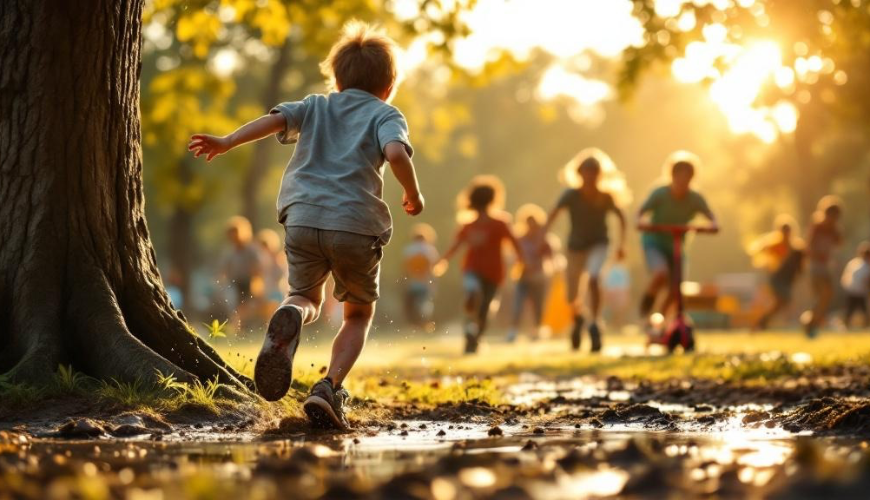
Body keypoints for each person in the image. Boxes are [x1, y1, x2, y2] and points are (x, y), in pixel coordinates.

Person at [188, 22, 423, 430]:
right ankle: (328, 387)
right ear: (388, 87)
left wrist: (227, 142)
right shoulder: (386, 113)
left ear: (336, 79)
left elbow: (274, 120)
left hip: (302, 217)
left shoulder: (316, 105)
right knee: (357, 315)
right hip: (355, 224)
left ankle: (290, 313)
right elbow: (396, 152)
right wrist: (413, 194)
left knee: (305, 296)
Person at [543, 148, 627, 352]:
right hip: (575, 247)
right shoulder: (571, 195)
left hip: (599, 243)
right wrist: (542, 238)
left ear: (600, 174)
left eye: (594, 172)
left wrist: (621, 245)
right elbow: (552, 216)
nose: (590, 176)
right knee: (572, 296)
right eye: (586, 171)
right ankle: (579, 318)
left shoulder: (605, 197)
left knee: (594, 277)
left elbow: (621, 217)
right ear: (579, 173)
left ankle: (595, 322)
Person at [438, 175, 523, 354]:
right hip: (474, 270)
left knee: (484, 310)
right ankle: (470, 326)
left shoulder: (500, 223)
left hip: (492, 273)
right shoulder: (469, 224)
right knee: (474, 293)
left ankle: (474, 337)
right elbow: (456, 244)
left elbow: (515, 243)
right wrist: (443, 260)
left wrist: (443, 260)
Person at [636, 152, 718, 331]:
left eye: (686, 179)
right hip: (654, 242)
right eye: (678, 178)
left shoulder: (695, 198)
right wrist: (640, 221)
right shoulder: (660, 193)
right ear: (671, 176)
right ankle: (647, 304)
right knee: (661, 273)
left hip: (676, 246)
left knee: (676, 290)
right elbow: (641, 211)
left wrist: (713, 225)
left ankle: (660, 321)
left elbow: (710, 215)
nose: (682, 183)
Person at [507, 204, 554, 342]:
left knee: (538, 306)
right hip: (523, 276)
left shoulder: (544, 239)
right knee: (518, 304)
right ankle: (513, 331)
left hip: (539, 276)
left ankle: (537, 330)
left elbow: (551, 257)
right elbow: (514, 256)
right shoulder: (520, 239)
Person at [750, 215, 804, 330]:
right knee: (783, 300)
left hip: (787, 279)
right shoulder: (776, 245)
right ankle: (764, 322)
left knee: (781, 303)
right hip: (778, 278)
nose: (786, 234)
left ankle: (762, 322)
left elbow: (801, 264)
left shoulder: (796, 248)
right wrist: (769, 263)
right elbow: (758, 249)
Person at [802, 196, 843, 337]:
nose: (832, 220)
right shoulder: (817, 227)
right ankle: (810, 322)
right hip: (815, 266)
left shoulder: (833, 230)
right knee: (825, 294)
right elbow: (808, 248)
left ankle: (811, 321)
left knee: (825, 296)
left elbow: (839, 242)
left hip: (825, 266)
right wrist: (818, 255)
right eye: (831, 216)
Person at [220, 216, 264, 332]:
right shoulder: (230, 251)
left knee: (245, 307)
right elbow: (225, 268)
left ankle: (245, 329)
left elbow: (258, 266)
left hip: (249, 282)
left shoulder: (251, 250)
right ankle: (239, 329)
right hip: (235, 282)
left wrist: (256, 280)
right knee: (236, 307)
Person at [402, 223, 439, 331]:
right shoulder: (430, 249)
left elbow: (405, 268)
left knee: (411, 306)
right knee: (425, 304)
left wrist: (405, 280)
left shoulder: (408, 249)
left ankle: (414, 325)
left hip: (412, 283)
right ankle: (424, 324)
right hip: (426, 282)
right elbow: (433, 267)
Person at [256, 228, 289, 308]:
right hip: (267, 289)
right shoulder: (263, 259)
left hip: (278, 289)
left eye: (265, 246)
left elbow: (281, 275)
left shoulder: (279, 258)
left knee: (275, 306)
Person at [841, 241, 870, 329]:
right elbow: (846, 276)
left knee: (864, 310)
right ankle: (845, 325)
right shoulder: (854, 263)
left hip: (861, 293)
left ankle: (866, 325)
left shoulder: (868, 266)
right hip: (852, 291)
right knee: (849, 310)